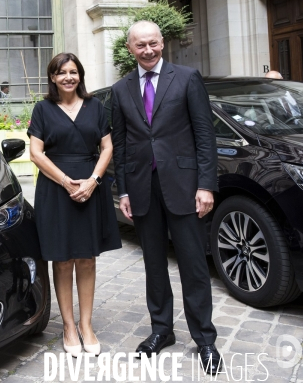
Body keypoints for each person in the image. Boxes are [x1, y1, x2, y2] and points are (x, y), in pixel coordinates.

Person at [110, 21, 222, 374]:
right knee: (154, 265)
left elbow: (205, 136)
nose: (148, 50)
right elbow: (123, 146)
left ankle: (204, 338)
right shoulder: (120, 89)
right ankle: (162, 330)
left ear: (162, 43)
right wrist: (124, 190)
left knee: (192, 264)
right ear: (130, 48)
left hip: (185, 187)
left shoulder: (187, 78)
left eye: (153, 43)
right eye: (140, 45)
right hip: (143, 189)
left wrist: (206, 185)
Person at [28, 53, 121, 357]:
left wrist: (93, 180)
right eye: (61, 72)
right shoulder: (42, 109)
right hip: (57, 190)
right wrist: (67, 181)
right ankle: (68, 325)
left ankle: (87, 324)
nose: (68, 77)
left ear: (80, 75)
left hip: (91, 186)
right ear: (52, 78)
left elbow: (107, 146)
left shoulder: (95, 107)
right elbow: (36, 153)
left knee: (87, 258)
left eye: (73, 71)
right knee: (63, 259)